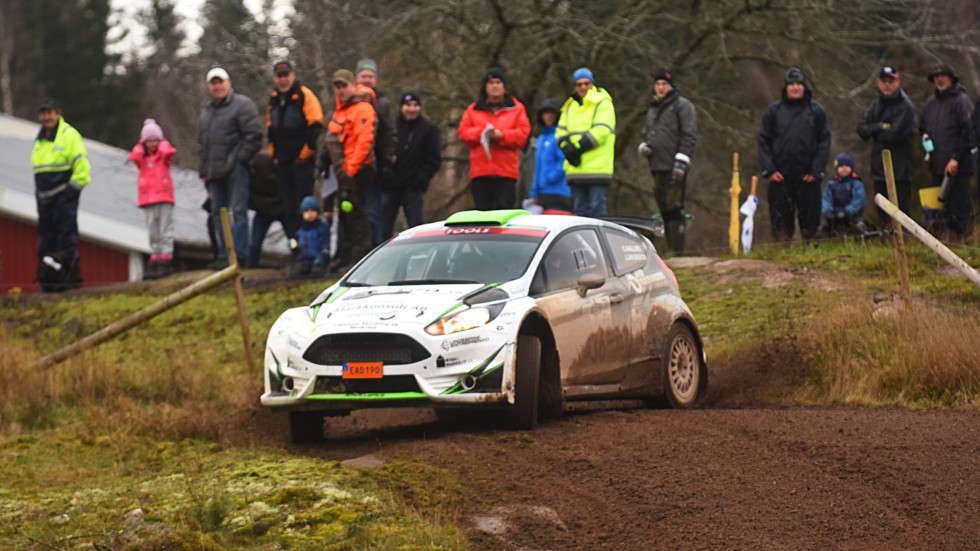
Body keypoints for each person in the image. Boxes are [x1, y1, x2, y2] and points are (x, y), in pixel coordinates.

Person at [758, 66, 832, 242]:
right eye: (791, 84)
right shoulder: (773, 111)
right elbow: (763, 141)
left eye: (799, 83)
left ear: (804, 87)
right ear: (786, 87)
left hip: (808, 178)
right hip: (780, 177)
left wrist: (816, 170)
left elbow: (824, 141)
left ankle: (813, 251)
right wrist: (769, 170)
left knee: (811, 224)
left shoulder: (816, 111)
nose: (795, 87)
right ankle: (782, 254)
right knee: (780, 223)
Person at [198, 67, 263, 267]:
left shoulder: (243, 105)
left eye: (220, 82)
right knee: (218, 213)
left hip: (236, 169)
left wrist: (240, 160)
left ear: (229, 83)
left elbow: (254, 135)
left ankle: (241, 256)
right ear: (210, 86)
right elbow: (203, 144)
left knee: (239, 211)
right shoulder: (206, 112)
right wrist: (203, 171)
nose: (217, 86)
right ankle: (225, 256)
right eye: (213, 83)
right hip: (214, 171)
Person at [31, 98, 90, 292]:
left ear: (58, 113)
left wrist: (71, 191)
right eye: (43, 113)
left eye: (50, 113)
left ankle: (70, 280)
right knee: (46, 240)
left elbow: (82, 167)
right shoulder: (39, 140)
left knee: (66, 239)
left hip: (64, 197)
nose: (47, 117)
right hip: (44, 198)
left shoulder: (69, 135)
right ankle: (49, 281)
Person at [638, 68, 698, 255]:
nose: (661, 87)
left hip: (675, 165)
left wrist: (682, 160)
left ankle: (676, 252)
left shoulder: (683, 106)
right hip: (656, 164)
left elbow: (689, 135)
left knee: (674, 208)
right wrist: (645, 145)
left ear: (671, 86)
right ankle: (669, 249)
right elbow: (647, 132)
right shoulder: (653, 108)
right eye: (657, 84)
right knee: (663, 208)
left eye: (664, 84)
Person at [457, 67, 531, 210]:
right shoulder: (473, 110)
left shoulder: (517, 109)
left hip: (506, 173)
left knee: (503, 214)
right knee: (483, 215)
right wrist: (482, 133)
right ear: (485, 87)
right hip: (481, 172)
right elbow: (463, 133)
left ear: (504, 86)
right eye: (491, 83)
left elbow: (522, 135)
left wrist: (501, 136)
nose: (495, 86)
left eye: (498, 82)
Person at [325, 69, 377, 272]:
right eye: (337, 87)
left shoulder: (362, 108)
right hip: (343, 171)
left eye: (344, 86)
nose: (341, 90)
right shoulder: (341, 110)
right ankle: (345, 257)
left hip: (358, 170)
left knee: (358, 215)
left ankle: (360, 259)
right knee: (346, 215)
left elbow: (364, 141)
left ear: (352, 85)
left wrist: (350, 169)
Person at [266, 60, 323, 243]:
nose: (283, 80)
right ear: (275, 78)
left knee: (305, 207)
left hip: (301, 163)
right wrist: (274, 155)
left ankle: (311, 248)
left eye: (286, 75)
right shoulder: (273, 99)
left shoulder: (305, 95)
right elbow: (270, 130)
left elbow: (315, 126)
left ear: (293, 75)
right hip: (282, 163)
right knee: (288, 207)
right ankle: (295, 246)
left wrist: (303, 155)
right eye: (279, 76)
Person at [919, 64, 976, 238]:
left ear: (951, 78)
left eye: (943, 76)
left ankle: (965, 245)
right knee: (939, 211)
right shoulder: (930, 104)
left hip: (958, 167)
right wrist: (928, 151)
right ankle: (944, 245)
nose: (939, 79)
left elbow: (968, 133)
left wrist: (955, 158)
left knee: (959, 207)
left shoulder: (962, 101)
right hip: (937, 166)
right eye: (936, 76)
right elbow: (923, 130)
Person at [856, 66, 916, 224]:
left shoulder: (905, 106)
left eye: (891, 81)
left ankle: (904, 244)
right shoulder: (876, 105)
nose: (887, 84)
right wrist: (881, 126)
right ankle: (886, 242)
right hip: (878, 169)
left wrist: (875, 130)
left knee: (901, 213)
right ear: (879, 83)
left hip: (899, 170)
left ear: (898, 82)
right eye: (884, 81)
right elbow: (861, 129)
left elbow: (894, 134)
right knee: (883, 213)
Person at [381, 91, 441, 240]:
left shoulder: (428, 129)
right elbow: (383, 151)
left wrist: (420, 180)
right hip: (390, 187)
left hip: (413, 189)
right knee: (383, 229)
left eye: (415, 105)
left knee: (416, 230)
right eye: (408, 105)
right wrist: (386, 172)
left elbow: (433, 158)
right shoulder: (392, 126)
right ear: (402, 107)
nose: (412, 109)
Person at [556, 67, 616, 217]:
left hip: (597, 168)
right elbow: (560, 132)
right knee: (578, 211)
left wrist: (576, 148)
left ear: (592, 84)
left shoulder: (603, 103)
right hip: (576, 168)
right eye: (579, 84)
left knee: (597, 210)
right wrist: (567, 149)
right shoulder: (569, 106)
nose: (583, 87)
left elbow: (601, 131)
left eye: (586, 83)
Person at [355, 58, 397, 246]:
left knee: (375, 213)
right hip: (354, 166)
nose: (367, 79)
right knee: (356, 213)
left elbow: (390, 133)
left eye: (371, 76)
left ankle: (375, 249)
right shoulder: (349, 101)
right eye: (364, 76)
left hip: (376, 166)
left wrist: (387, 161)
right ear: (357, 78)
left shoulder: (383, 103)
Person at [127, 118, 177, 279]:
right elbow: (134, 155)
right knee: (153, 231)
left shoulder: (164, 158)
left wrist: (162, 143)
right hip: (148, 199)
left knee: (165, 230)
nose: (153, 144)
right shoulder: (142, 160)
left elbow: (169, 151)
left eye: (156, 140)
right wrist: (141, 147)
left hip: (164, 197)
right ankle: (155, 257)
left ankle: (166, 257)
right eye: (149, 141)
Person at [529, 98, 571, 214]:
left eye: (552, 113)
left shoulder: (560, 136)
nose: (548, 116)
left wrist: (550, 178)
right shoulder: (541, 138)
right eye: (546, 113)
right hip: (542, 194)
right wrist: (533, 192)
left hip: (558, 192)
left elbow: (563, 161)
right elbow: (537, 167)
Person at [247, 150, 285, 268]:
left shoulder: (280, 175)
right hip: (263, 211)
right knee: (254, 243)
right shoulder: (253, 178)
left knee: (294, 239)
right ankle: (252, 266)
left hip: (281, 209)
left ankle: (302, 260)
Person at [815, 152, 868, 237]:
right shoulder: (831, 184)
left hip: (852, 216)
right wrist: (827, 211)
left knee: (859, 227)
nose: (844, 169)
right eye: (841, 167)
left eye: (847, 167)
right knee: (821, 229)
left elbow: (860, 199)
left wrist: (848, 211)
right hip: (833, 215)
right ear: (837, 168)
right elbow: (826, 199)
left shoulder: (856, 183)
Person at [286, 195, 331, 278]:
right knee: (296, 274)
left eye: (313, 210)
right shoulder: (300, 229)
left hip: (317, 259)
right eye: (306, 211)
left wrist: (321, 257)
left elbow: (326, 246)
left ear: (317, 212)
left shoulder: (323, 227)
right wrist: (293, 247)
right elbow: (297, 251)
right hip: (304, 259)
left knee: (316, 273)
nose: (309, 214)